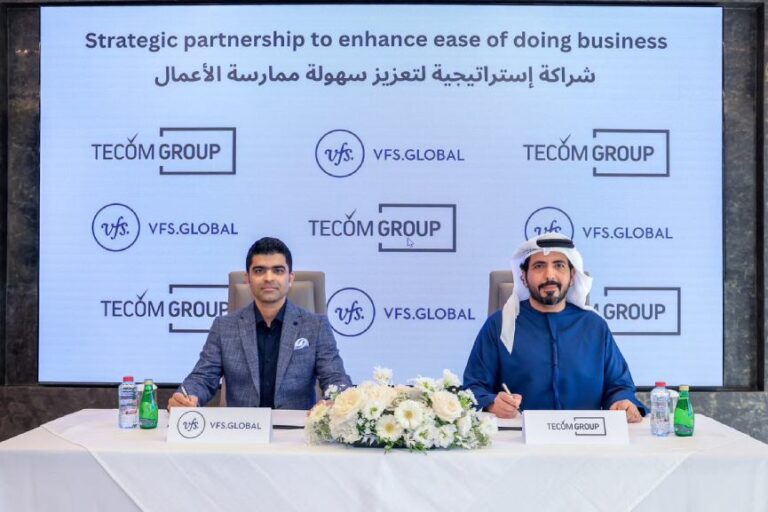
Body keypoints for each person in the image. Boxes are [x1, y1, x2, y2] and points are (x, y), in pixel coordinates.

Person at [463, 233, 646, 423]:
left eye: (559, 265)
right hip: (518, 437)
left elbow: (619, 386)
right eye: (539, 266)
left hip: (585, 436)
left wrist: (622, 403)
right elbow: (473, 389)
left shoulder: (595, 326)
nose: (549, 275)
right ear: (524, 277)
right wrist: (492, 403)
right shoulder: (499, 324)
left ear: (572, 275)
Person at [169, 237, 351, 409]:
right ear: (248, 278)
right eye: (259, 271)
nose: (269, 278)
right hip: (242, 428)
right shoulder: (224, 327)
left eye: (278, 270)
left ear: (290, 278)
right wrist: (187, 396)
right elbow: (203, 377)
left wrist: (337, 401)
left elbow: (335, 378)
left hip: (297, 429)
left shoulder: (316, 326)